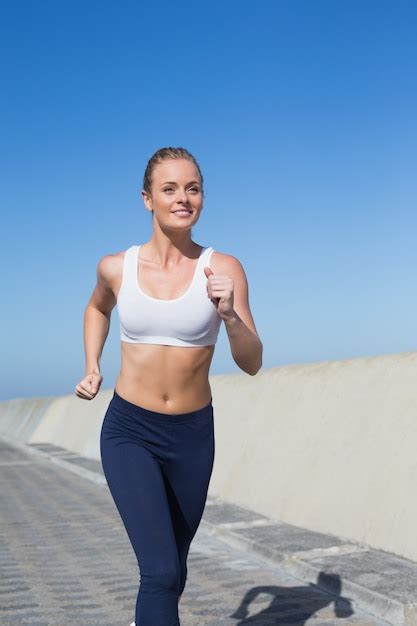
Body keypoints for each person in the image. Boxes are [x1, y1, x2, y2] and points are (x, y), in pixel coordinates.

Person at [75, 146, 263, 625]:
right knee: (158, 571)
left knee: (173, 569)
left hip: (192, 437)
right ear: (147, 199)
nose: (184, 198)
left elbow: (252, 361)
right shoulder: (117, 267)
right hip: (130, 429)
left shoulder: (225, 269)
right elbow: (97, 308)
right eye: (170, 188)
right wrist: (92, 364)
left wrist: (229, 316)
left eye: (193, 188)